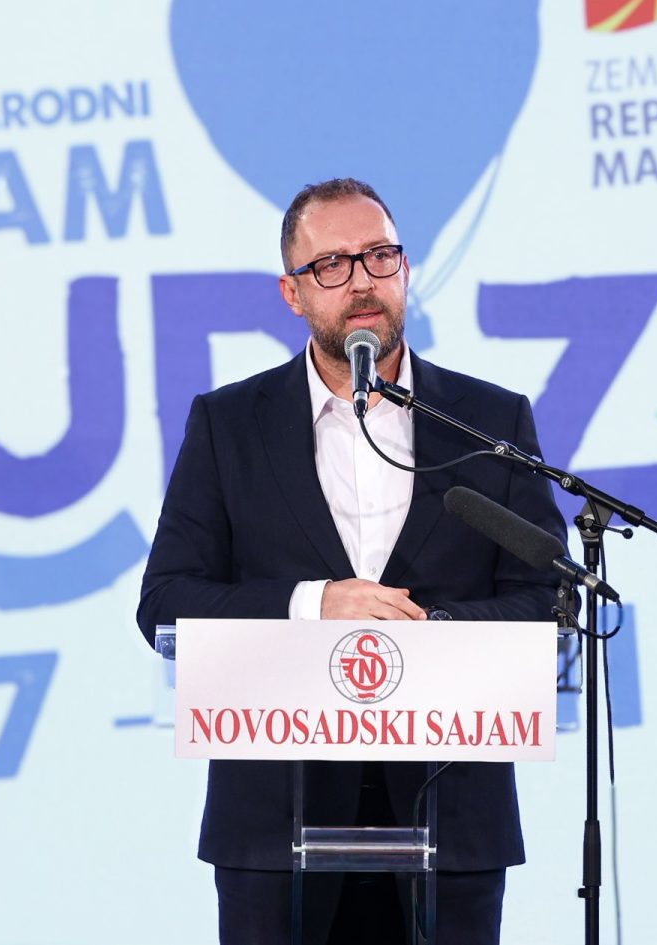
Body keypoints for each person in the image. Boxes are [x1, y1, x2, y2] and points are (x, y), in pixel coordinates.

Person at [137, 177, 567, 945]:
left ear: (406, 269)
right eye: (332, 264)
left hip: (451, 820)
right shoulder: (230, 425)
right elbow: (166, 601)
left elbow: (547, 598)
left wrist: (424, 630)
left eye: (379, 256)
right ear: (292, 292)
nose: (362, 280)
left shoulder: (489, 422)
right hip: (274, 828)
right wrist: (315, 604)